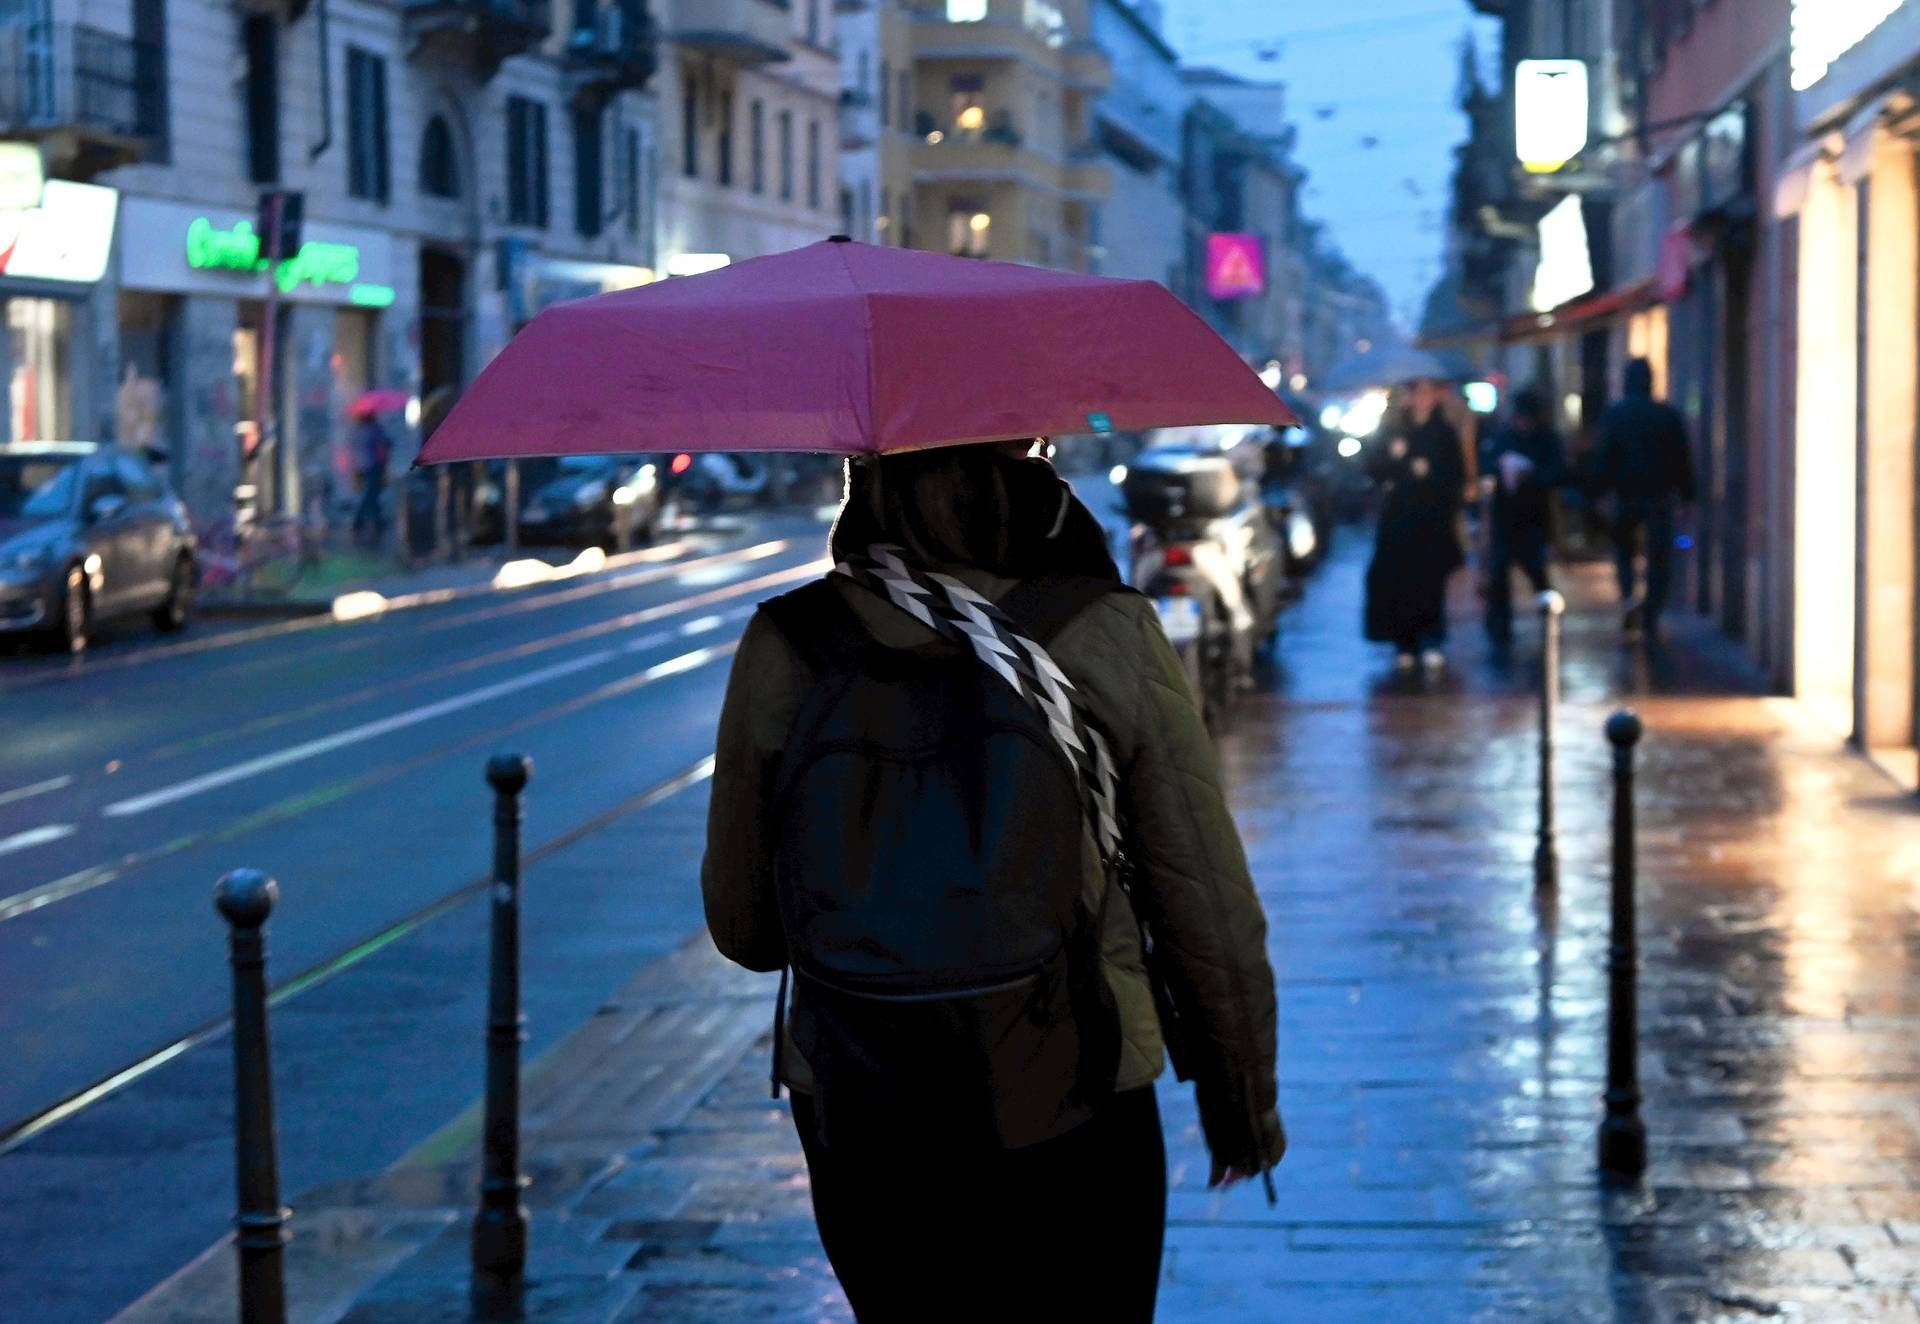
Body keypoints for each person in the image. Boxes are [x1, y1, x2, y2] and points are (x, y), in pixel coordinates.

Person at [702, 441, 1283, 1322]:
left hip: (862, 1107)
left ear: (872, 479)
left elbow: (745, 931)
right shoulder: (1102, 630)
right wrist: (1240, 1099)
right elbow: (1203, 896)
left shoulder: (790, 642)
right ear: (1026, 477)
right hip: (1077, 1096)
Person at [1364, 380, 1468, 671]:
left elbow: (1454, 476)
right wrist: (1394, 459)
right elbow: (1372, 467)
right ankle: (1404, 642)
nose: (1420, 400)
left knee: (1430, 585)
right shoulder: (1394, 430)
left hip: (1431, 522)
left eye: (1426, 394)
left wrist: (1431, 477)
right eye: (1415, 393)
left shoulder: (1443, 434)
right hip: (1398, 521)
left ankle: (1431, 638)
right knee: (1399, 584)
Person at [1594, 358, 1695, 636]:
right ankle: (1650, 613)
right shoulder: (1667, 415)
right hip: (1658, 496)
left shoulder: (1616, 414)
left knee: (1624, 551)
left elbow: (1605, 456)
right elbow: (1681, 459)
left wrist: (1600, 492)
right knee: (1658, 557)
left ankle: (1628, 595)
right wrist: (1687, 497)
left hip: (1625, 495)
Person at [1481, 387, 1569, 647]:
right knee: (1499, 574)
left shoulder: (1545, 439)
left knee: (1537, 572)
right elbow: (1488, 465)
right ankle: (1499, 626)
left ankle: (1549, 618)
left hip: (1533, 517)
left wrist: (1530, 474)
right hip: (1505, 517)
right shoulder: (1504, 437)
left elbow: (1558, 473)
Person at [348, 405, 393, 546]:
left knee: (370, 496)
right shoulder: (375, 430)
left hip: (361, 468)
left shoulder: (357, 431)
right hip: (374, 467)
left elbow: (354, 449)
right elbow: (384, 446)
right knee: (370, 496)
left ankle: (375, 523)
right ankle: (360, 523)